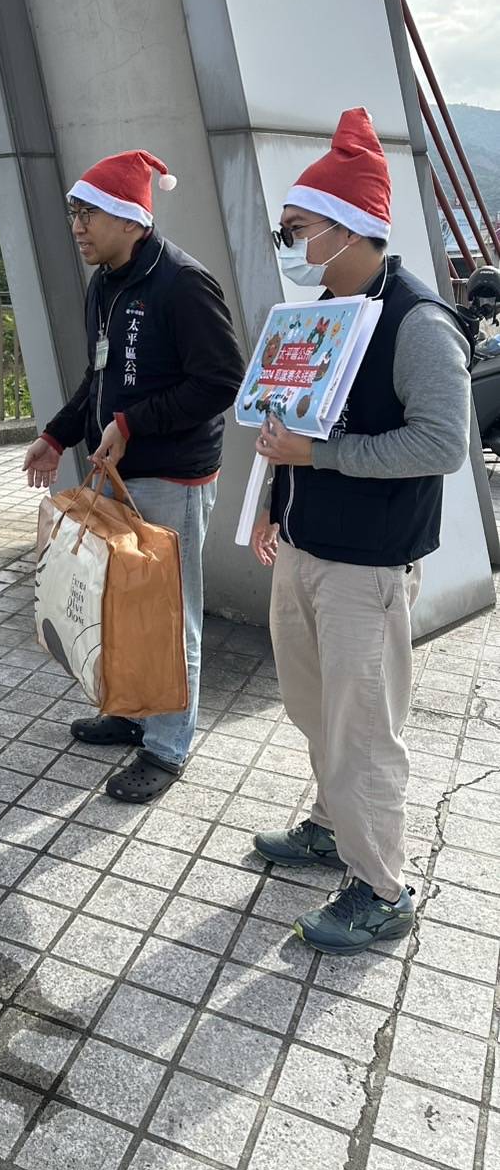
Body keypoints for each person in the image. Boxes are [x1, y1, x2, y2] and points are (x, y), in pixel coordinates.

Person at [252, 107, 471, 955]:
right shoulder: (323, 310)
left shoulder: (414, 320)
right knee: (317, 709)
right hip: (305, 548)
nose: (291, 243)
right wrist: (278, 491)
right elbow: (291, 421)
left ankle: (383, 885)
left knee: (365, 726)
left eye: (298, 229)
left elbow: (442, 443)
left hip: (367, 566)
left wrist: (324, 454)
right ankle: (328, 823)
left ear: (349, 229)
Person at [23, 150, 245, 802]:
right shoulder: (105, 285)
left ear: (129, 217)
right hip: (118, 475)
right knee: (118, 607)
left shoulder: (182, 282)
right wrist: (56, 434)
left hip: (171, 479)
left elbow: (220, 381)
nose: (77, 226)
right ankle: (127, 710)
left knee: (170, 617)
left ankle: (168, 745)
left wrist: (133, 422)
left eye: (87, 212)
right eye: (74, 212)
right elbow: (98, 377)